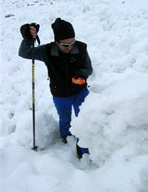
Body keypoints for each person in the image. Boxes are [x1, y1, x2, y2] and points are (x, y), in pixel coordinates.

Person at [19, 18, 93, 159]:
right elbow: (25, 53)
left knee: (83, 119)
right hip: (60, 95)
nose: (70, 47)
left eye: (72, 43)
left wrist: (83, 74)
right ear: (56, 42)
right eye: (65, 44)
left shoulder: (81, 48)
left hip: (80, 92)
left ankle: (84, 151)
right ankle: (66, 139)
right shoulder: (47, 51)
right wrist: (28, 39)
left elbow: (89, 68)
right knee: (65, 120)